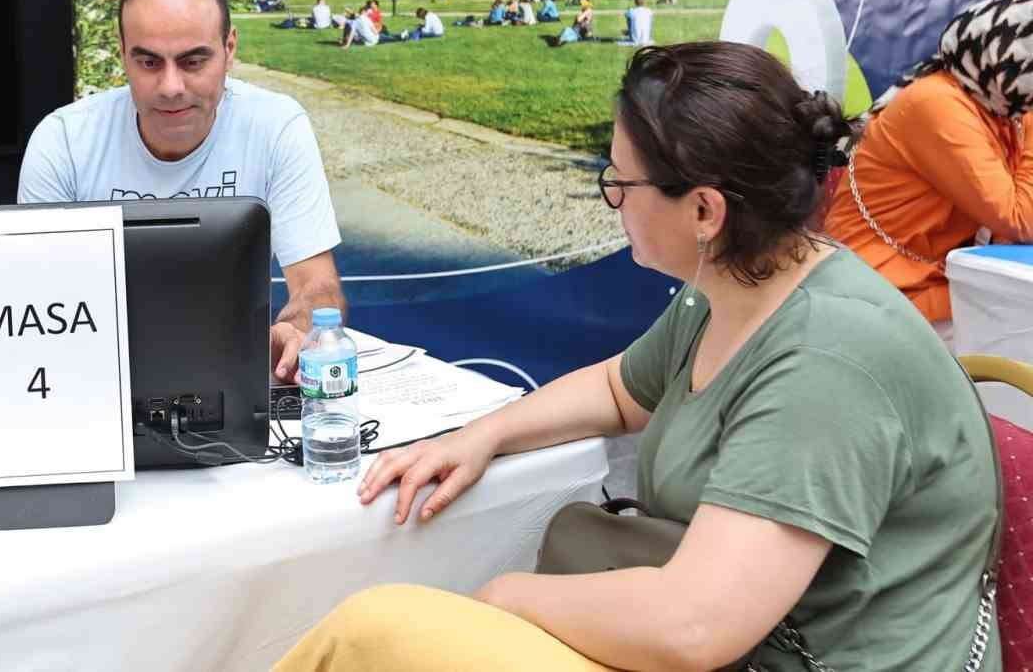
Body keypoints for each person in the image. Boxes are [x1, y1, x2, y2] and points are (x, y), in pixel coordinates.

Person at [275, 42, 1000, 672]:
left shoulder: (828, 362)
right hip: (742, 643)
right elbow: (624, 387)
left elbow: (695, 623)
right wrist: (482, 434)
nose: (612, 197)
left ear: (706, 211)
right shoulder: (741, 282)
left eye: (621, 182)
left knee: (377, 630)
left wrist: (505, 597)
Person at [18, 0, 345, 380]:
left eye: (192, 62)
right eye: (149, 63)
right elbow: (33, 301)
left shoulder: (275, 126)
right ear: (122, 53)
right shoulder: (63, 140)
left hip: (232, 377)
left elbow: (317, 284)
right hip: (95, 378)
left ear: (229, 50)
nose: (171, 87)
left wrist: (300, 332)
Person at [824, 0, 1033, 334]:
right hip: (883, 290)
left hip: (941, 280)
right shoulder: (937, 105)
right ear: (1013, 66)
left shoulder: (998, 104)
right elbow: (1018, 218)